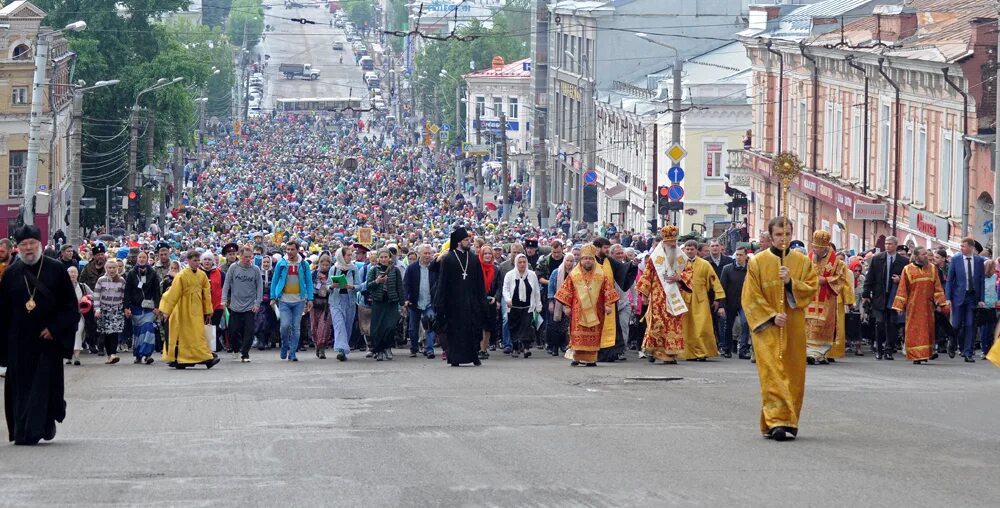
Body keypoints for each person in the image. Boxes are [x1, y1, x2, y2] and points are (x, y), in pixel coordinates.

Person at [0, 225, 80, 445]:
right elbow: (3, 312)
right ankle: (23, 431)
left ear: (40, 245)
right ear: (18, 247)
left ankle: (39, 428)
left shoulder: (56, 270)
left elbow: (70, 308)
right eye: (23, 245)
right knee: (21, 389)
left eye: (32, 244)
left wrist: (55, 329)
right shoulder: (10, 274)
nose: (28, 248)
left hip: (46, 342)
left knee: (42, 387)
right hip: (19, 342)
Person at [742, 217, 818, 442]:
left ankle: (790, 419)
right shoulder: (757, 262)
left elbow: (811, 288)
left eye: (787, 234)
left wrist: (790, 283)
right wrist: (772, 315)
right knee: (772, 373)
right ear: (769, 236)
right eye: (778, 235)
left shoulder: (802, 262)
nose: (783, 239)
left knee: (794, 373)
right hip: (767, 328)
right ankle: (776, 421)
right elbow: (750, 296)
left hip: (793, 325)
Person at [554, 244, 619, 366]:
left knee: (594, 334)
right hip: (578, 311)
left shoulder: (601, 274)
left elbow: (608, 290)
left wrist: (608, 304)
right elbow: (566, 290)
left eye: (590, 258)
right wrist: (566, 306)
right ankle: (577, 357)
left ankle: (591, 358)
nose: (587, 261)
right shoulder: (574, 274)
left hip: (596, 310)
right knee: (577, 334)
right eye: (585, 258)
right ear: (581, 260)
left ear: (593, 259)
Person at [432, 227, 487, 367]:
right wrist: (440, 303)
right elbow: (442, 282)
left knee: (472, 329)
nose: (469, 242)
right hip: (453, 303)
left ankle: (474, 356)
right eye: (466, 240)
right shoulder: (449, 259)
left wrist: (482, 300)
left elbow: (480, 282)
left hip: (471, 301)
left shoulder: (474, 258)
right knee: (455, 330)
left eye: (469, 240)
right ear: (458, 242)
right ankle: (454, 357)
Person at [159, 250, 220, 369]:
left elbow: (206, 294)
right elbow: (173, 293)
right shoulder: (181, 275)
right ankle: (187, 358)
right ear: (188, 260)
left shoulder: (202, 275)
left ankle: (203, 357)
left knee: (198, 333)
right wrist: (167, 311)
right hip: (182, 308)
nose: (197, 263)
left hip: (196, 308)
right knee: (184, 334)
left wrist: (208, 310)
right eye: (194, 260)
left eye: (198, 260)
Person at [636, 226, 687, 364]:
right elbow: (647, 276)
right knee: (657, 323)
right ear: (663, 242)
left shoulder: (682, 257)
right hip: (658, 297)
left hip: (674, 296)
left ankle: (671, 353)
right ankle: (654, 350)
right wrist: (645, 295)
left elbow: (689, 273)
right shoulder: (655, 258)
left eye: (674, 241)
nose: (672, 244)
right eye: (669, 242)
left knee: (673, 325)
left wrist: (679, 277)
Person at [891, 246, 948, 364]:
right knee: (914, 330)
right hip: (913, 306)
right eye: (923, 254)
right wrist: (899, 306)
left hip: (928, 306)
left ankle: (925, 354)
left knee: (927, 330)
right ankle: (915, 356)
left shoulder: (932, 269)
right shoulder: (907, 269)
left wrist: (941, 303)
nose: (926, 256)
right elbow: (902, 289)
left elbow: (937, 287)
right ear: (916, 256)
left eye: (926, 254)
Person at [804, 231, 848, 365]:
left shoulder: (837, 263)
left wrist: (826, 280)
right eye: (813, 246)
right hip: (810, 297)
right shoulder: (808, 258)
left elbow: (841, 280)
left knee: (823, 327)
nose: (814, 249)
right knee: (809, 326)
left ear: (824, 247)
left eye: (816, 247)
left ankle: (821, 353)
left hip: (827, 300)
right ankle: (809, 353)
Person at [862, 236, 908, 360]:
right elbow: (869, 278)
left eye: (890, 244)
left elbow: (908, 279)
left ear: (896, 245)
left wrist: (900, 280)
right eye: (886, 243)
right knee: (879, 323)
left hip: (894, 296)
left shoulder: (903, 262)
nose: (888, 246)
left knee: (892, 324)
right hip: (879, 296)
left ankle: (889, 350)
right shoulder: (877, 259)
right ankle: (879, 350)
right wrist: (866, 294)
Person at [678, 240, 725, 361]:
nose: (689, 251)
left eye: (692, 249)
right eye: (687, 249)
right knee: (685, 326)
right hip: (684, 297)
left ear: (696, 250)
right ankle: (687, 353)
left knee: (702, 325)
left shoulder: (705, 264)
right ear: (684, 250)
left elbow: (714, 280)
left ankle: (702, 352)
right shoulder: (679, 263)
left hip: (701, 299)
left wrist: (718, 297)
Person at [593, 237, 638, 362]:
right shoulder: (589, 260)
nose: (607, 250)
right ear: (597, 248)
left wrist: (633, 264)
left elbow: (622, 269)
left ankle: (609, 353)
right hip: (593, 301)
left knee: (613, 327)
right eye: (605, 248)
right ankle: (592, 352)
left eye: (608, 247)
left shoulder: (609, 261)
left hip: (609, 301)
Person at [270, 241, 314, 362]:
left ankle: (293, 352)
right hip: (284, 300)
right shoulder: (281, 263)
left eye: (292, 249)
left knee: (296, 327)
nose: (289, 252)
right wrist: (273, 297)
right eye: (287, 249)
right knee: (284, 326)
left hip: (299, 300)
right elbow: (274, 281)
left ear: (297, 250)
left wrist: (310, 298)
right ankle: (284, 345)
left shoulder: (303, 264)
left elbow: (309, 282)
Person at [946, 237, 985, 363]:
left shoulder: (979, 261)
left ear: (971, 248)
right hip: (958, 297)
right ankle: (952, 343)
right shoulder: (956, 260)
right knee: (956, 324)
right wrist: (947, 298)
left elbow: (981, 281)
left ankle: (968, 353)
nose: (961, 248)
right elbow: (949, 280)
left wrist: (981, 299)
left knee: (970, 325)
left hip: (972, 297)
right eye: (961, 246)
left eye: (963, 246)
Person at [221, 246, 263, 363]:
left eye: (250, 257)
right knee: (233, 331)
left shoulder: (255, 270)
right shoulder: (233, 268)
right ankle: (235, 348)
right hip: (235, 305)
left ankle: (245, 353)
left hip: (250, 306)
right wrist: (224, 299)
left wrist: (257, 303)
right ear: (240, 255)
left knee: (249, 331)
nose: (248, 259)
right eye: (245, 257)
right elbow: (227, 284)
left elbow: (259, 287)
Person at [123, 251, 161, 365]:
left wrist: (157, 306)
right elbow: (127, 291)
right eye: (140, 257)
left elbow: (156, 291)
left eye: (144, 257)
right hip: (135, 307)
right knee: (138, 331)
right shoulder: (131, 273)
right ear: (137, 259)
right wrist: (126, 307)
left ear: (147, 258)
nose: (142, 259)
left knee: (148, 328)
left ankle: (147, 354)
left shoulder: (153, 273)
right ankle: (138, 355)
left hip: (149, 307)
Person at [366, 248, 404, 361]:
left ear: (389, 258)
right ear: (378, 258)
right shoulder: (373, 270)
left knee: (390, 326)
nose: (383, 259)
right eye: (381, 257)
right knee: (377, 328)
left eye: (385, 257)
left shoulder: (395, 270)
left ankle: (388, 347)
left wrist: (402, 303)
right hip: (378, 302)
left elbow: (399, 287)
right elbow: (368, 286)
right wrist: (377, 281)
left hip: (391, 302)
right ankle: (379, 351)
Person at [502, 254, 542, 358]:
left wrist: (538, 305)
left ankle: (526, 348)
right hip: (513, 307)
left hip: (528, 307)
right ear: (516, 263)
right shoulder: (509, 275)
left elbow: (537, 291)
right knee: (514, 327)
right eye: (520, 262)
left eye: (524, 262)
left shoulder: (532, 275)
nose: (522, 264)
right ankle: (515, 348)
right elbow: (505, 289)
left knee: (527, 326)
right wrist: (507, 299)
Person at [403, 244, 438, 359]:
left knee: (429, 325)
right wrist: (406, 299)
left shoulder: (434, 267)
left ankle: (429, 349)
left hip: (429, 302)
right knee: (413, 328)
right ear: (419, 254)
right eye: (425, 253)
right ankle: (414, 348)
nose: (427, 256)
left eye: (429, 253)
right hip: (415, 302)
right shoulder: (411, 268)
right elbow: (406, 285)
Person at [93, 259, 126, 365]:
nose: (112, 270)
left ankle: (113, 353)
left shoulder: (121, 280)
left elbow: (125, 296)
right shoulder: (101, 280)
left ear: (117, 268)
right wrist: (97, 309)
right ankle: (109, 355)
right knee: (106, 333)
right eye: (110, 268)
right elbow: (96, 295)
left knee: (114, 332)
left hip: (116, 309)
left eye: (114, 268)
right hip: (104, 309)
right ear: (106, 268)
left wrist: (125, 308)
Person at [720, 246, 751, 359]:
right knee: (728, 325)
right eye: (737, 255)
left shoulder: (750, 269)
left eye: (741, 255)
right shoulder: (727, 269)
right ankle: (727, 348)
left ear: (746, 256)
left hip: (745, 302)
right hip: (730, 301)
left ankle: (743, 349)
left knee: (745, 323)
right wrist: (721, 305)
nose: (738, 257)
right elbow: (722, 288)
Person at [330, 246, 359, 361]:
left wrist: (351, 287)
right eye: (348, 255)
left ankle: (343, 349)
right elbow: (327, 285)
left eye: (351, 255)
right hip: (336, 301)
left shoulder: (353, 269)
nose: (350, 257)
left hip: (349, 301)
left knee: (347, 326)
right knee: (339, 324)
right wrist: (332, 286)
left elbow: (359, 285)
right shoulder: (334, 269)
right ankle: (341, 349)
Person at [66, 266, 92, 366]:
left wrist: (86, 297)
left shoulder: (83, 286)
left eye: (74, 272)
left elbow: (93, 295)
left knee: (78, 333)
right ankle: (68, 356)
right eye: (70, 272)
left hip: (79, 314)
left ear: (78, 274)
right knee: (67, 335)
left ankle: (76, 357)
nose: (73, 274)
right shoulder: (62, 286)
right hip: (66, 315)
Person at [310, 253, 334, 359]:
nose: (324, 267)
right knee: (314, 326)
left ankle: (322, 349)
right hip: (314, 303)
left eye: (326, 265)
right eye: (322, 264)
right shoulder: (314, 274)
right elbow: (309, 286)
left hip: (327, 304)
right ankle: (317, 345)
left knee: (324, 327)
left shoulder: (332, 274)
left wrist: (329, 288)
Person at [479, 245, 502, 359]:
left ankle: (484, 349)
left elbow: (499, 286)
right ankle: (481, 349)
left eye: (489, 254)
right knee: (480, 326)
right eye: (485, 254)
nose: (487, 256)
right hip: (479, 301)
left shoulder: (496, 269)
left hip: (491, 301)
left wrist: (495, 297)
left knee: (488, 327)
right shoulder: (477, 268)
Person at [201, 252, 225, 352]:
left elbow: (224, 287)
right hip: (201, 305)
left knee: (214, 326)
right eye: (205, 259)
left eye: (209, 259)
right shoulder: (197, 272)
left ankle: (213, 346)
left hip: (217, 305)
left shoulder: (220, 273)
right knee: (202, 326)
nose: (207, 261)